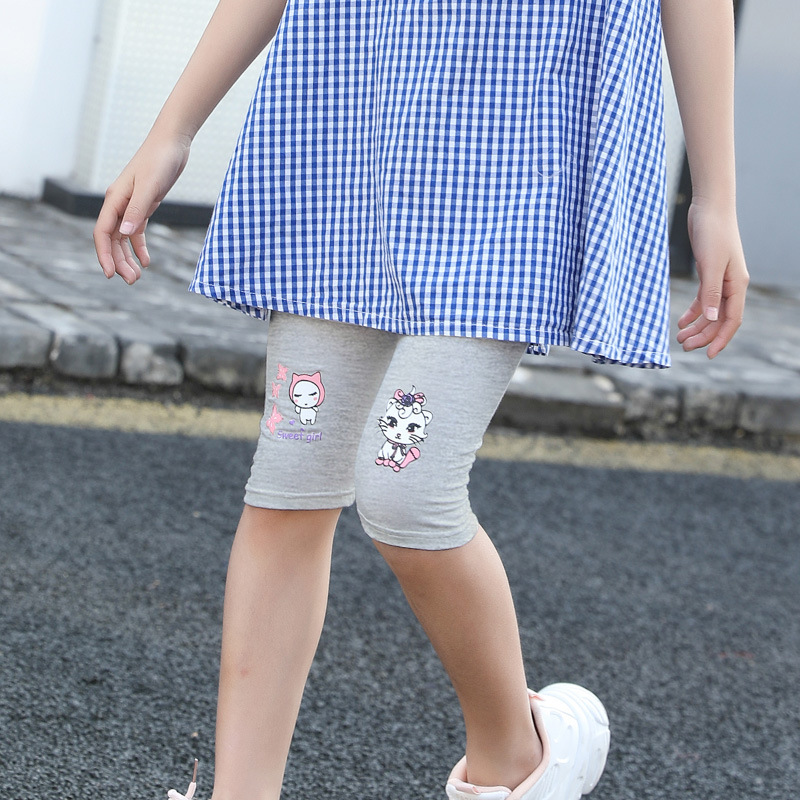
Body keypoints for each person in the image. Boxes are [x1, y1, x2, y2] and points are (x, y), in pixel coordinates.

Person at [93, 1, 749, 798]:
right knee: (289, 482)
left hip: (518, 151)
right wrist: (173, 127)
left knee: (405, 484)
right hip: (347, 127)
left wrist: (714, 196)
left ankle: (517, 751)